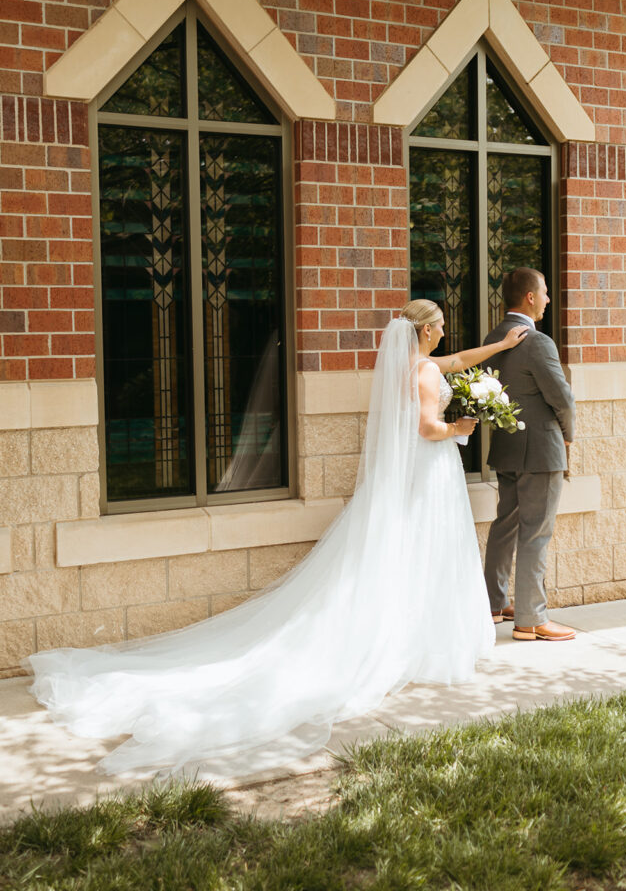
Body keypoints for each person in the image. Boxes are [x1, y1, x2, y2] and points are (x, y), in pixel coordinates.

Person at [28, 300, 527, 779]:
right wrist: (460, 426)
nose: (445, 333)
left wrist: (500, 344)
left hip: (421, 476)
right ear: (424, 331)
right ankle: (416, 642)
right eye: (439, 326)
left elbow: (460, 359)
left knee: (415, 554)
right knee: (425, 552)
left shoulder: (416, 366)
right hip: (430, 470)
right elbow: (425, 427)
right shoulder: (422, 373)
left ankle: (419, 635)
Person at [483, 269, 577, 642]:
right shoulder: (537, 342)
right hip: (541, 450)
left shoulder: (494, 338)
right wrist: (568, 437)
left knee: (505, 526)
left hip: (506, 449)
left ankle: (494, 603)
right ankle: (531, 619)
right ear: (530, 298)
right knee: (536, 533)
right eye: (545, 293)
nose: (549, 300)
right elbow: (562, 398)